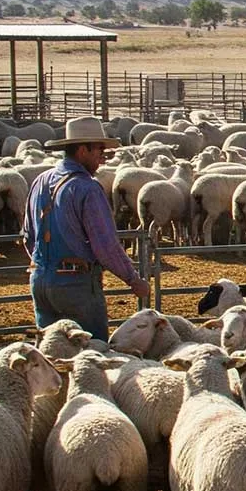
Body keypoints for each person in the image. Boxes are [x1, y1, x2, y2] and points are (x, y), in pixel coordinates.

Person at [22, 117, 148, 341]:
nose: (103, 156)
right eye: (99, 149)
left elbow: (28, 236)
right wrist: (133, 279)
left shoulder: (40, 181)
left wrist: (47, 266)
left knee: (52, 353)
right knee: (92, 351)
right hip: (76, 286)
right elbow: (105, 244)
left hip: (39, 281)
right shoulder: (87, 188)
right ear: (82, 150)